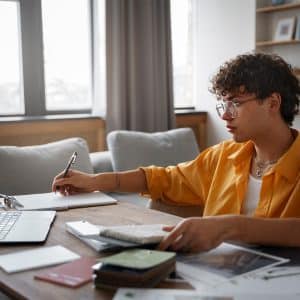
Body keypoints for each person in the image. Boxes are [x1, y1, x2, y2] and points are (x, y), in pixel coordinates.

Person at [52, 53, 300, 253]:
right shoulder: (224, 157)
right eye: (223, 104)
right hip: (218, 277)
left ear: (273, 103)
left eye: (235, 103)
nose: (224, 114)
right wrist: (95, 181)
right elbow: (163, 178)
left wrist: (230, 227)